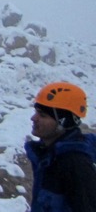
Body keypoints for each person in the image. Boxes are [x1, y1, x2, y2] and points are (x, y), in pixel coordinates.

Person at [25, 81, 96, 211]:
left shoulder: (75, 163)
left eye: (43, 115)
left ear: (63, 122)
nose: (33, 118)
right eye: (36, 112)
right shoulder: (49, 155)